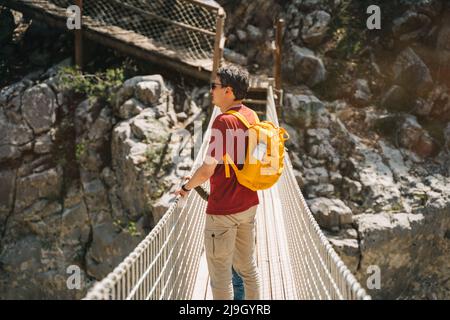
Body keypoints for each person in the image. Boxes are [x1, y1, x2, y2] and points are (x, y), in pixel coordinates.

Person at [175, 64, 261, 300]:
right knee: (247, 269)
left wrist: (187, 187)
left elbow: (208, 168)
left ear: (229, 91)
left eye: (215, 86)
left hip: (224, 211)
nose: (211, 90)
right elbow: (240, 160)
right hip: (249, 205)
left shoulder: (223, 122)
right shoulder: (251, 116)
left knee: (221, 278)